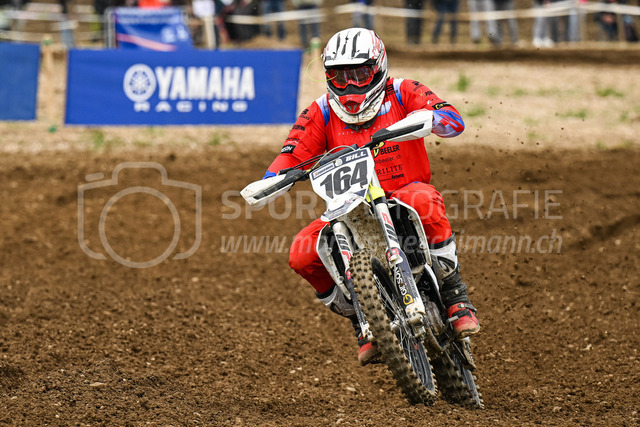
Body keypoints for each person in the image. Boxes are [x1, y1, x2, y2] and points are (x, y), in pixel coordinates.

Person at [261, 28, 480, 365]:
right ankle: (362, 320)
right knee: (302, 254)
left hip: (403, 193)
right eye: (339, 76)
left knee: (424, 200)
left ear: (378, 67)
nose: (349, 85)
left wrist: (429, 119)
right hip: (348, 208)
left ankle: (455, 297)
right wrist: (270, 180)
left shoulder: (403, 91)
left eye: (359, 74)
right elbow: (291, 153)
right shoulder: (321, 111)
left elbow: (452, 119)